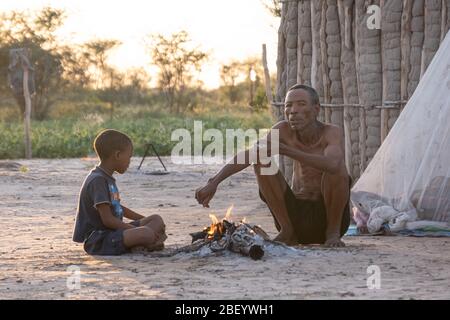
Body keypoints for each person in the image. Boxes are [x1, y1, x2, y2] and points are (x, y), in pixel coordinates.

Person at [195, 84, 350, 247]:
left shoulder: (331, 132)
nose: (293, 110)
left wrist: (287, 150)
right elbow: (250, 153)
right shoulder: (283, 130)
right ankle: (287, 231)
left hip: (330, 220)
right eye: (288, 105)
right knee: (261, 159)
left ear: (316, 109)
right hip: (296, 218)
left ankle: (332, 233)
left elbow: (333, 164)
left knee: (337, 168)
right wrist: (214, 182)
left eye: (301, 104)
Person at [73, 129, 167, 255]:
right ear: (117, 155)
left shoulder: (107, 177)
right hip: (99, 239)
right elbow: (108, 220)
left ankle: (143, 242)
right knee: (146, 233)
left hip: (114, 232)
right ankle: (145, 242)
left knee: (156, 220)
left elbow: (117, 206)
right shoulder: (98, 180)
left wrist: (144, 220)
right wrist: (138, 229)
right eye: (129, 157)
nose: (129, 162)